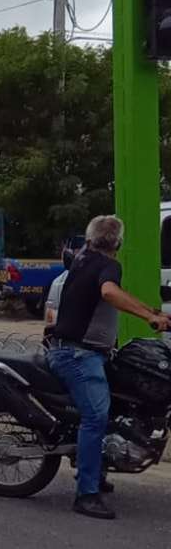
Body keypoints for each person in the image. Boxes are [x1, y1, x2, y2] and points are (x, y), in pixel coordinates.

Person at [49, 215, 171, 520]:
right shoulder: (107, 264)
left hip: (80, 352)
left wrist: (150, 313)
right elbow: (109, 292)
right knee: (96, 416)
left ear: (90, 239)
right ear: (117, 243)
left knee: (115, 408)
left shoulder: (82, 258)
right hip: (78, 355)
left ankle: (97, 471)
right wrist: (149, 316)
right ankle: (86, 494)